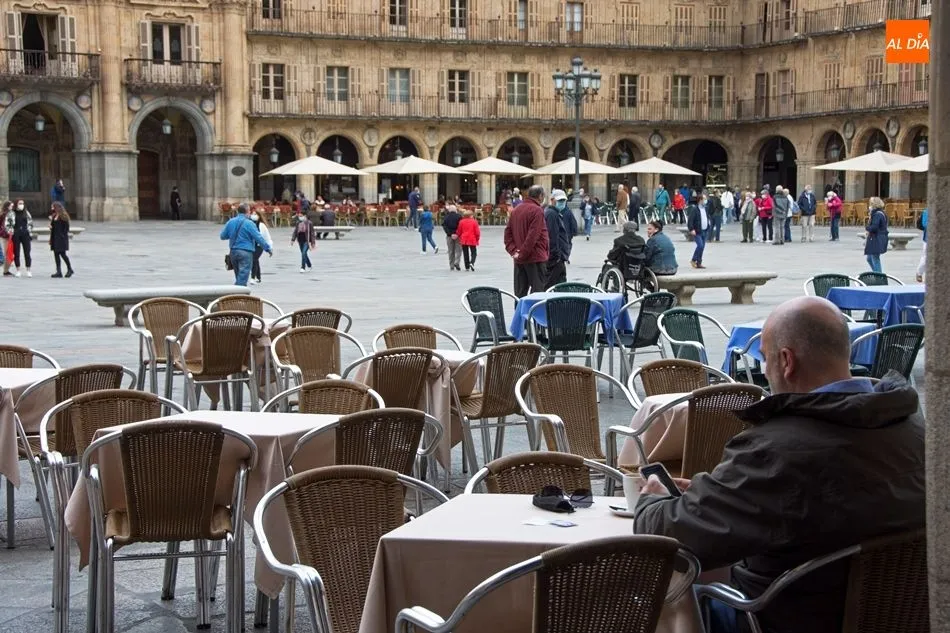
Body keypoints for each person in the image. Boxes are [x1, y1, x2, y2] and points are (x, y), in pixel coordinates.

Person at [634, 295, 924, 633]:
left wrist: (652, 499)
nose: (766, 371)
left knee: (660, 595)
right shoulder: (912, 426)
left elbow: (669, 539)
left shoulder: (779, 451)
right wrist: (713, 493)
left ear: (786, 361)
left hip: (782, 618)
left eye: (765, 359)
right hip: (900, 617)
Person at [504, 184, 550, 297]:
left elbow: (507, 233)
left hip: (519, 260)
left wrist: (514, 251)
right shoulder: (537, 210)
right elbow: (533, 236)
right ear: (540, 196)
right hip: (535, 258)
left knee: (520, 295)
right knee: (538, 295)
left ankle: (520, 314)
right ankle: (535, 315)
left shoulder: (516, 210)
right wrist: (522, 253)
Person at [220, 203, 272, 286]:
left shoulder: (231, 222)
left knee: (239, 276)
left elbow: (222, 236)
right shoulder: (250, 224)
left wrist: (232, 234)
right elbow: (258, 237)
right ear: (247, 212)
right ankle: (238, 294)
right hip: (245, 252)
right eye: (249, 211)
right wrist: (268, 248)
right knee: (243, 277)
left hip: (233, 252)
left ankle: (239, 293)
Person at [544, 190, 570, 286]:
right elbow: (552, 236)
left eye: (563, 200)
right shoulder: (552, 214)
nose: (562, 203)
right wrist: (556, 256)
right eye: (559, 200)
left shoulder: (555, 213)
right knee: (553, 285)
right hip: (555, 259)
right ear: (552, 200)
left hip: (558, 257)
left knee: (558, 284)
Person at [5, 199, 33, 277]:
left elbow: (30, 222)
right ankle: (18, 270)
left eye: (23, 203)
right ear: (16, 204)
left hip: (25, 233)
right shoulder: (11, 213)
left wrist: (29, 231)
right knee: (16, 252)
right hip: (16, 234)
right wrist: (10, 231)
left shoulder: (26, 213)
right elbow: (7, 224)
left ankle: (28, 270)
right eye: (20, 203)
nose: (22, 205)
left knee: (27, 252)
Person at [48, 202, 74, 278]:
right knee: (56, 255)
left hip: (61, 239)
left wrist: (62, 235)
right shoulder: (54, 216)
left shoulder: (64, 216)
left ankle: (70, 269)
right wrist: (51, 226)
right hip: (55, 238)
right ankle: (58, 271)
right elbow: (53, 227)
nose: (52, 209)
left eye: (53, 207)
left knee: (63, 254)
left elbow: (66, 229)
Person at [864, 196, 889, 273]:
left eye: (871, 204)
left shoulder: (878, 214)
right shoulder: (878, 213)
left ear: (874, 204)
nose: (869, 206)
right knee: (869, 258)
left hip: (876, 238)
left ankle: (879, 275)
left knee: (875, 258)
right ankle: (876, 273)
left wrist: (867, 227)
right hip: (876, 237)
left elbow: (874, 227)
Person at [249, 210, 272, 285]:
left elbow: (267, 237)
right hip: (251, 245)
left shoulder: (262, 225)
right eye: (252, 214)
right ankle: (258, 277)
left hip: (259, 246)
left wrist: (269, 247)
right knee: (256, 261)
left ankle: (253, 277)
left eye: (255, 214)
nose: (253, 215)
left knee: (254, 259)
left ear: (259, 216)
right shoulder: (249, 223)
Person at [686, 194, 708, 269]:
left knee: (702, 247)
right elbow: (690, 220)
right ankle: (693, 260)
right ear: (700, 200)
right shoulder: (695, 209)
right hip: (698, 230)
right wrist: (691, 229)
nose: (705, 200)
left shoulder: (705, 208)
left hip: (705, 230)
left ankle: (699, 262)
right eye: (704, 199)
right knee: (700, 245)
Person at [290, 209, 315, 273]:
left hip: (307, 240)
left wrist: (313, 242)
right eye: (299, 216)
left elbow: (312, 233)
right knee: (304, 254)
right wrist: (293, 239)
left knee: (303, 253)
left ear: (305, 216)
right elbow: (295, 231)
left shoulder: (309, 223)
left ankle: (303, 267)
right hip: (300, 239)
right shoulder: (298, 222)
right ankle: (309, 265)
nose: (300, 217)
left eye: (301, 216)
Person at [556, 190, 578, 260]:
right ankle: (565, 256)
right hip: (562, 233)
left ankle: (565, 256)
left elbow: (573, 222)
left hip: (567, 233)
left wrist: (574, 232)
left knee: (567, 244)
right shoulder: (553, 212)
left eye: (563, 201)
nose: (562, 203)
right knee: (566, 245)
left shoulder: (568, 212)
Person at [442, 203, 462, 270]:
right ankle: (457, 262)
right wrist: (456, 234)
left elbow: (444, 226)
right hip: (458, 236)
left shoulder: (446, 217)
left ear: (449, 210)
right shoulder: (459, 216)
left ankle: (451, 265)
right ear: (455, 209)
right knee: (458, 250)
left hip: (449, 236)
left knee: (451, 251)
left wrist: (450, 234)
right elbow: (460, 226)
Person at [916, 208, 928, 283]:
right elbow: (924, 224)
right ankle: (919, 272)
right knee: (926, 256)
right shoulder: (927, 211)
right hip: (929, 237)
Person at [0, 201, 10, 276]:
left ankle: (6, 269)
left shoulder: (12, 214)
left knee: (8, 252)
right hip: (5, 235)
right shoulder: (3, 214)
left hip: (11, 235)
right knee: (6, 252)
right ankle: (5, 270)